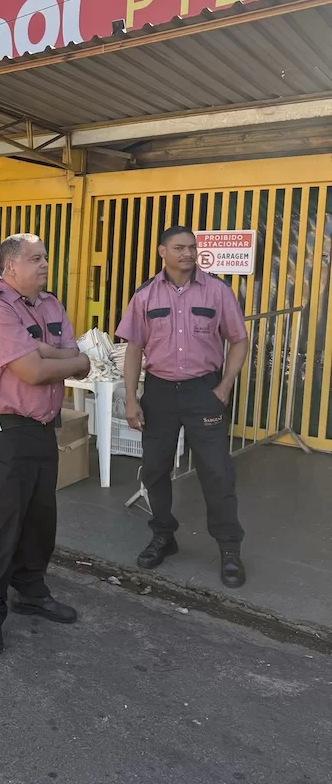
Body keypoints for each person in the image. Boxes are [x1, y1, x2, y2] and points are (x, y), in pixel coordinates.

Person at [0, 233, 91, 655]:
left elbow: (72, 355)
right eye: (35, 259)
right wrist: (67, 359)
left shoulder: (51, 305)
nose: (44, 265)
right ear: (10, 266)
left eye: (45, 258)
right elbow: (34, 372)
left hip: (41, 426)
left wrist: (48, 354)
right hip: (2, 430)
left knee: (39, 520)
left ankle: (31, 591)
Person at [116, 226, 249, 588]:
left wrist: (225, 385)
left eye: (192, 247)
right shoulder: (145, 294)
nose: (188, 253)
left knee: (217, 471)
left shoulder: (217, 291)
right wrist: (132, 398)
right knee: (155, 468)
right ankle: (164, 535)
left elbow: (239, 340)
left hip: (203, 391)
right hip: (159, 392)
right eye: (179, 247)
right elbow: (134, 349)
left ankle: (229, 548)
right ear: (162, 251)